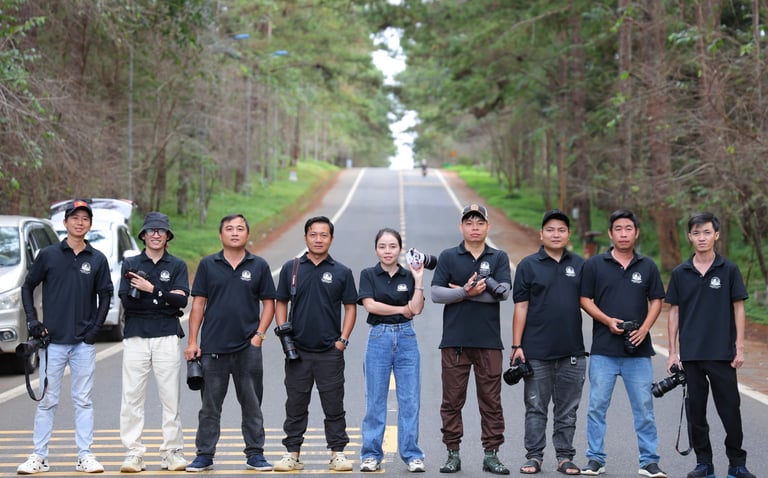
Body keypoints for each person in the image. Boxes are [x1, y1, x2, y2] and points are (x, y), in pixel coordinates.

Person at [17, 200, 113, 474]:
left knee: (83, 400)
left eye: (85, 219)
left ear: (89, 224)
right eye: (75, 218)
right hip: (53, 343)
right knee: (47, 400)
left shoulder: (97, 259)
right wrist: (33, 321)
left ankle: (85, 456)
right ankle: (39, 456)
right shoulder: (49, 255)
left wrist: (95, 330)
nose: (80, 223)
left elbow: (105, 295)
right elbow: (27, 287)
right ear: (65, 222)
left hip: (83, 344)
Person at [665, 212, 756, 478]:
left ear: (716, 235)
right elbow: (674, 312)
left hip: (722, 353)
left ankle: (737, 464)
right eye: (696, 233)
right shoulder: (680, 273)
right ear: (689, 237)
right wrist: (672, 352)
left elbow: (738, 308)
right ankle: (704, 463)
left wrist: (739, 347)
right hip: (691, 355)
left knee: (730, 411)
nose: (702, 238)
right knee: (696, 413)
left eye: (706, 232)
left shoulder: (728, 269)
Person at [183, 214, 275, 472]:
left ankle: (255, 454)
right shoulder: (208, 265)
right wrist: (193, 341)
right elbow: (198, 304)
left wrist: (259, 336)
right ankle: (204, 455)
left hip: (248, 348)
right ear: (220, 234)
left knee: (252, 404)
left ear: (247, 234)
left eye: (240, 229)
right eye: (229, 229)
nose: (235, 233)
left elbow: (269, 303)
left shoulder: (259, 265)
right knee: (209, 408)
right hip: (213, 348)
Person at [579, 209, 666, 478]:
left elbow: (657, 300)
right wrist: (607, 321)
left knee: (644, 409)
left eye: (629, 228)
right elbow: (584, 299)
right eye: (618, 229)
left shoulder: (648, 266)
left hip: (638, 351)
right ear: (610, 233)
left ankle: (649, 461)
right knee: (596, 407)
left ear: (636, 233)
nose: (624, 233)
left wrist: (645, 328)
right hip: (604, 350)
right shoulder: (595, 264)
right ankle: (595, 459)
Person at [431, 203, 512, 475]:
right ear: (461, 226)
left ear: (487, 226)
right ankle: (452, 454)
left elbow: (503, 293)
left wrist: (461, 293)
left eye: (479, 223)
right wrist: (465, 292)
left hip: (489, 342)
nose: (474, 227)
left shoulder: (498, 257)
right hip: (455, 342)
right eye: (469, 222)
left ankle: (491, 455)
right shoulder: (448, 256)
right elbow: (436, 294)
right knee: (452, 401)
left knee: (491, 402)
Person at [272, 216, 358, 472]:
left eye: (323, 235)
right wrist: (284, 335)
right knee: (295, 405)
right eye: (313, 234)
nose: (318, 239)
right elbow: (280, 301)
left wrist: (342, 340)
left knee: (334, 404)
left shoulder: (342, 272)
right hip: (297, 351)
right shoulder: (292, 268)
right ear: (306, 237)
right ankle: (292, 454)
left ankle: (337, 453)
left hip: (330, 351)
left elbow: (350, 307)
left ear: (331, 238)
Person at [511, 210, 586, 475]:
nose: (556, 234)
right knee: (535, 407)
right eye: (550, 230)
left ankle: (565, 457)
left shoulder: (580, 265)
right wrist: (517, 346)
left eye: (561, 230)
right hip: (536, 352)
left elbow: (589, 302)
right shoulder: (528, 265)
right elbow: (521, 307)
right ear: (541, 234)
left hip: (572, 351)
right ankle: (534, 456)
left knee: (568, 410)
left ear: (568, 234)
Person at [118, 212, 189, 472]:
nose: (156, 235)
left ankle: (172, 451)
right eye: (151, 230)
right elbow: (127, 301)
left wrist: (151, 290)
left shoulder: (177, 265)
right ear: (143, 235)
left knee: (170, 397)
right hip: (136, 335)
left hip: (167, 335)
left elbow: (182, 301)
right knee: (132, 397)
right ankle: (133, 452)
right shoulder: (131, 263)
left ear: (168, 236)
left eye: (161, 231)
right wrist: (165, 297)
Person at [358, 228, 426, 473]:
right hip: (379, 336)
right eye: (382, 246)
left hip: (407, 337)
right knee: (375, 399)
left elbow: (416, 309)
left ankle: (412, 455)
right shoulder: (368, 274)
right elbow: (371, 306)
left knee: (409, 400)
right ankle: (371, 455)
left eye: (392, 246)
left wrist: (419, 279)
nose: (387, 251)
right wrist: (401, 309)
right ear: (376, 249)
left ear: (400, 249)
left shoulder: (408, 275)